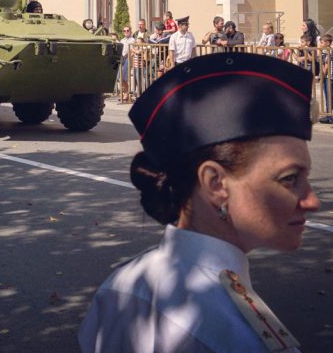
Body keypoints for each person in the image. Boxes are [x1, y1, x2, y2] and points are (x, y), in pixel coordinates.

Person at [79, 52, 320, 353]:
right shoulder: (241, 337)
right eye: (289, 179)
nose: (312, 201)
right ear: (215, 184)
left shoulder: (120, 284)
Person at [118, 25, 135, 102]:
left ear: (130, 31)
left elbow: (131, 50)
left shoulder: (132, 40)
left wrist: (125, 56)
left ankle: (126, 94)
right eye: (124, 31)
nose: (126, 32)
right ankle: (125, 93)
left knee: (124, 77)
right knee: (120, 77)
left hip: (128, 59)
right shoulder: (122, 40)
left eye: (127, 30)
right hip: (122, 59)